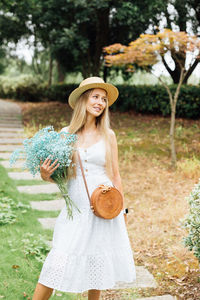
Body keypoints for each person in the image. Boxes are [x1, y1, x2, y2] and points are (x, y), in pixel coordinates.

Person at [32, 77, 136, 300]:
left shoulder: (109, 136)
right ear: (83, 100)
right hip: (76, 208)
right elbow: (58, 177)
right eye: (95, 97)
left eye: (104, 99)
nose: (100, 102)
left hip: (104, 206)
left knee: (96, 262)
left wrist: (122, 210)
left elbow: (115, 174)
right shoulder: (65, 134)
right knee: (57, 260)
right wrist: (45, 175)